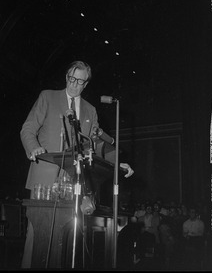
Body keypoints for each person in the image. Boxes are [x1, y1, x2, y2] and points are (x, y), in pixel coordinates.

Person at [20, 60, 134, 268]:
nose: (75, 85)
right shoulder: (48, 97)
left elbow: (96, 144)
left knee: (67, 236)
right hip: (44, 178)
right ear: (66, 77)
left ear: (86, 84)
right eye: (72, 79)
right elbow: (28, 129)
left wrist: (119, 162)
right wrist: (34, 147)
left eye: (80, 81)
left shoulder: (90, 111)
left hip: (73, 181)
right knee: (36, 234)